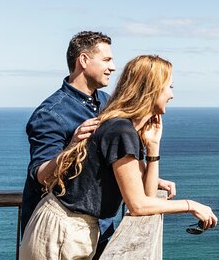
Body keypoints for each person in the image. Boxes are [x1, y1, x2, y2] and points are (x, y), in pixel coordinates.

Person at [20, 55, 217, 260]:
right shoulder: (120, 129)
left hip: (69, 233)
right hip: (61, 235)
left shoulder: (123, 128)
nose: (172, 94)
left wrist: (153, 148)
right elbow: (138, 206)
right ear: (151, 88)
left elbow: (144, 195)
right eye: (169, 86)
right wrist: (191, 205)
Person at [21, 31, 176, 240]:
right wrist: (72, 145)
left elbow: (103, 160)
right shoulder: (51, 114)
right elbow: (40, 176)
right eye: (106, 60)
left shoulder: (105, 103)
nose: (112, 67)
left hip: (99, 229)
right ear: (83, 60)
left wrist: (146, 176)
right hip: (60, 234)